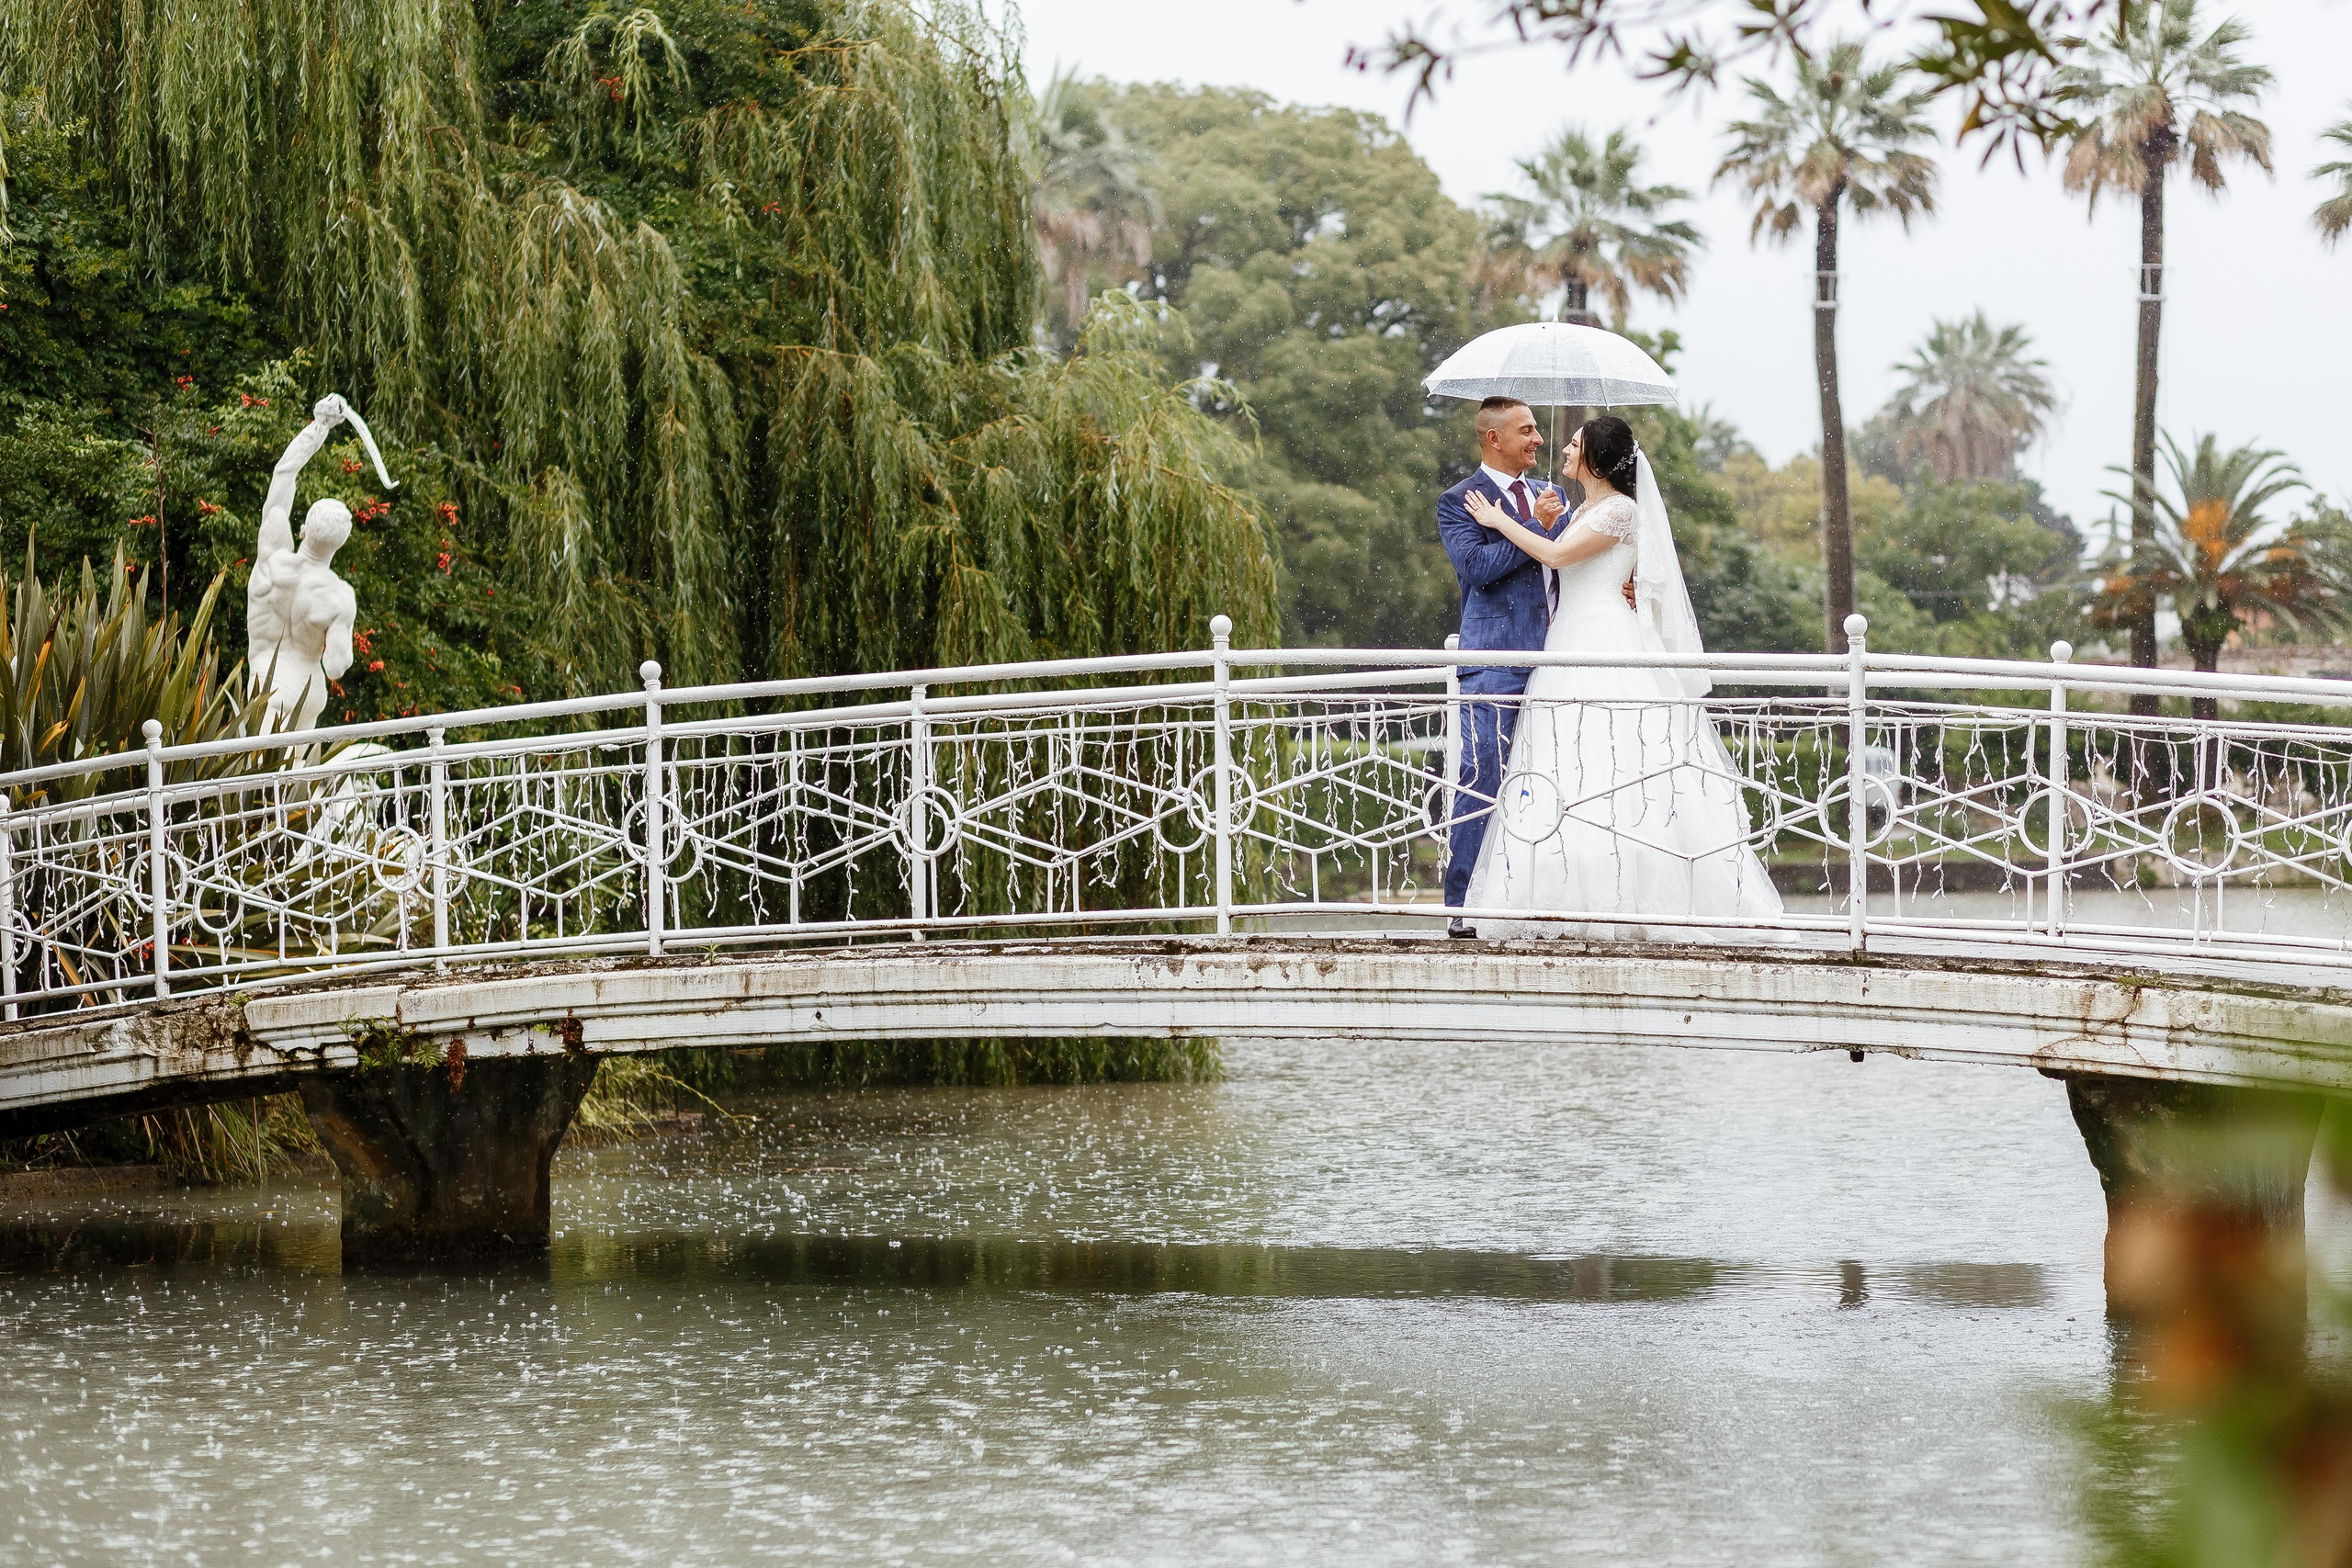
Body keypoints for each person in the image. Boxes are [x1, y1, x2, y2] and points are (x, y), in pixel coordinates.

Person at [1456, 414, 1782, 941]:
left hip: (1603, 641)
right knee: (1563, 766)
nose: (1562, 448)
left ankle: (1630, 896)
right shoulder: (1584, 509)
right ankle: (1559, 895)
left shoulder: (1622, 512)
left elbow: (1559, 555)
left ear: (1596, 459)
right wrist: (1540, 521)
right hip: (1568, 642)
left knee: (1615, 765)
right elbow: (1561, 558)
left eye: (1574, 444)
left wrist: (1500, 521)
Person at [1435, 397, 1568, 936]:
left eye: (1537, 429)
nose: (1538, 439)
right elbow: (1477, 570)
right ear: (1495, 439)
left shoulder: (1547, 495)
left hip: (1561, 655)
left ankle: (1540, 899)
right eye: (1527, 430)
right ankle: (1460, 907)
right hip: (1493, 660)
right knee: (1482, 775)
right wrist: (1528, 525)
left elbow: (1563, 562)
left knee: (1557, 779)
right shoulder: (1459, 500)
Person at [247, 396, 360, 734]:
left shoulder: (272, 559)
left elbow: (283, 474)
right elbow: (336, 667)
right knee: (302, 785)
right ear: (341, 543)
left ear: (303, 529)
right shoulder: (339, 596)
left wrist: (319, 427)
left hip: (266, 683)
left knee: (258, 782)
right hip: (308, 691)